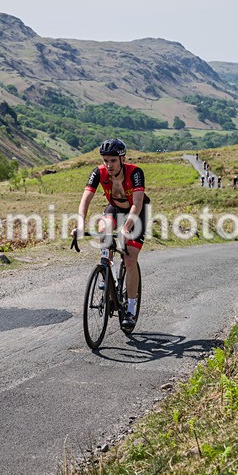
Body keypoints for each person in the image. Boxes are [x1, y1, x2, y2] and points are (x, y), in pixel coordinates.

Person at [77, 139, 149, 332]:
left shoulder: (135, 173)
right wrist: (79, 223)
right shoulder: (98, 172)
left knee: (130, 257)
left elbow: (138, 204)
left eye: (113, 161)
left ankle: (131, 309)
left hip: (136, 212)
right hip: (115, 208)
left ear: (122, 159)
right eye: (106, 160)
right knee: (102, 228)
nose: (109, 165)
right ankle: (105, 271)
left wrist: (127, 227)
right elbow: (86, 199)